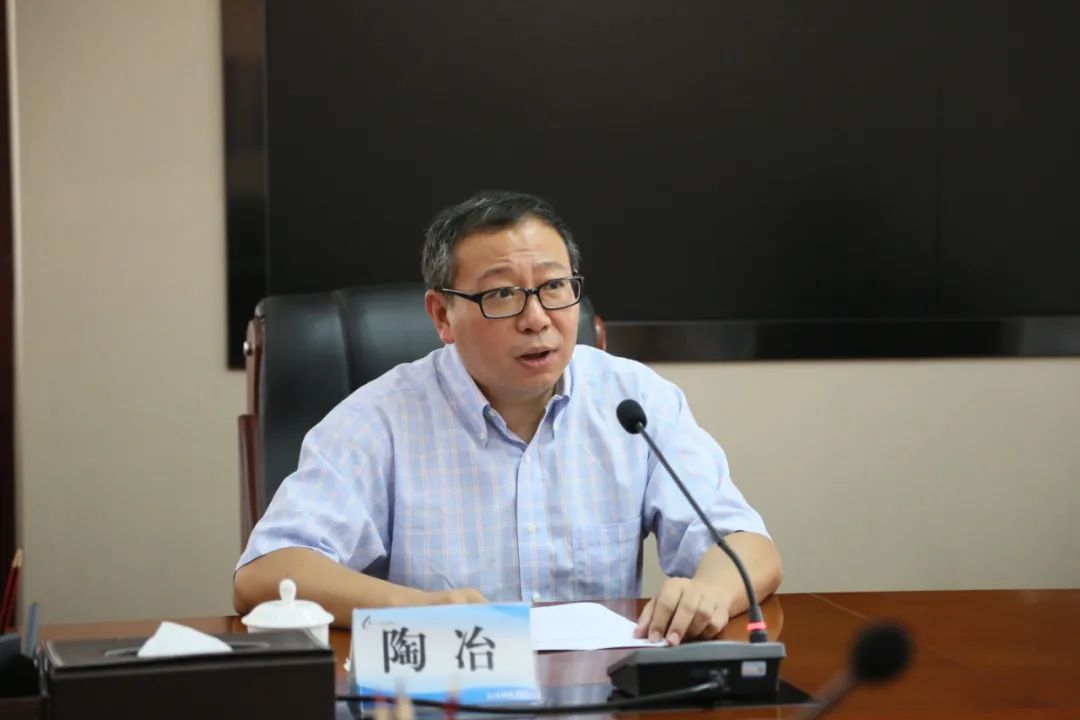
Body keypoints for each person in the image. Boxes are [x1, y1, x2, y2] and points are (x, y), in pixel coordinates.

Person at [234, 190, 782, 645]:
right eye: (502, 294)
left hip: (598, 697)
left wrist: (710, 590)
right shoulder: (380, 418)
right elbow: (266, 572)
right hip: (444, 700)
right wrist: (415, 608)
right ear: (442, 315)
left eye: (554, 287)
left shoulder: (634, 400)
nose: (537, 318)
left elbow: (748, 547)